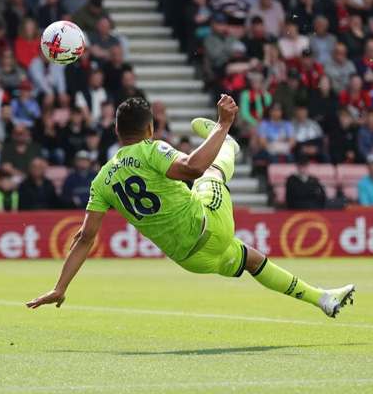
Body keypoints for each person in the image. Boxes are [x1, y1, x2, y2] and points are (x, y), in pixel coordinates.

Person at [27, 96, 355, 320]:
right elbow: (194, 167)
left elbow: (84, 237)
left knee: (253, 259)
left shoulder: (101, 181)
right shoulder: (150, 148)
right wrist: (223, 124)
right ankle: (226, 143)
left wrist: (60, 287)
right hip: (209, 224)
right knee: (211, 171)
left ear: (115, 132)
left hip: (190, 259)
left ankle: (323, 300)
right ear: (150, 129)